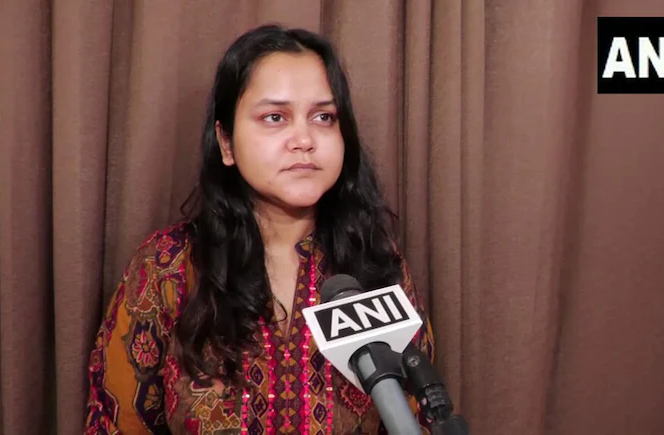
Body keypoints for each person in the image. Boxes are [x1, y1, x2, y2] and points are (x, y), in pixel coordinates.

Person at [83, 24, 435, 434]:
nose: (304, 139)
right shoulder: (167, 268)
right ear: (226, 142)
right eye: (275, 117)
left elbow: (416, 416)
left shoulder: (375, 264)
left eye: (324, 117)